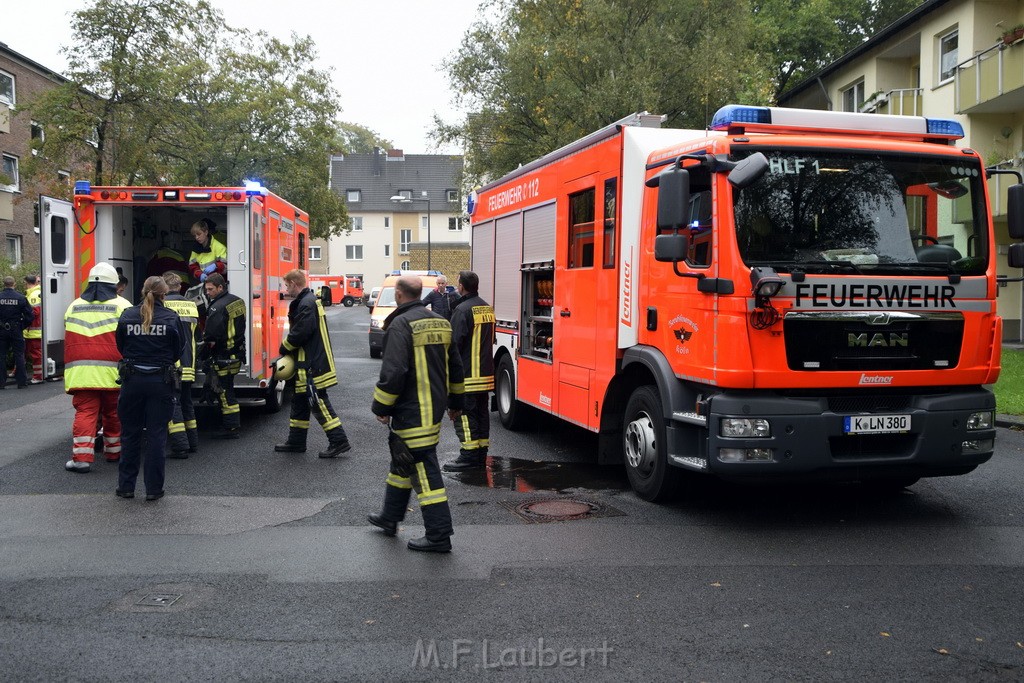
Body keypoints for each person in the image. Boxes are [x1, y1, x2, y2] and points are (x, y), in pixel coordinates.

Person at [368, 276, 465, 553]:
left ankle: (439, 535)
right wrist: (456, 403)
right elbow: (455, 367)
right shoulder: (440, 322)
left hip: (411, 413)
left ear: (398, 294)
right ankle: (390, 518)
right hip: (432, 409)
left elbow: (394, 371)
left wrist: (382, 406)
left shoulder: (401, 324)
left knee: (424, 472)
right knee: (402, 464)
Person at [114, 276, 183, 501]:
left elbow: (121, 346)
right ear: (164, 294)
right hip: (160, 382)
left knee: (130, 434)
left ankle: (126, 487)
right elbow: (178, 350)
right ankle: (153, 490)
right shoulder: (171, 318)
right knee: (156, 436)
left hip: (132, 381)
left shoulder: (127, 315)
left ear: (143, 291)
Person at [63, 263, 132, 472]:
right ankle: (114, 452)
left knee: (85, 413)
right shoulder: (122, 306)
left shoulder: (73, 305)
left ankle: (81, 459)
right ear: (114, 285)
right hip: (113, 372)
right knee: (114, 412)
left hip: (81, 373)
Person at [275, 269, 352, 458]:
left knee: (318, 403)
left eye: (287, 285)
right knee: (300, 402)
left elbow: (302, 331)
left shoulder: (306, 303)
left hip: (311, 365)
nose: (286, 289)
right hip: (309, 362)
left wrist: (284, 347)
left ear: (294, 283)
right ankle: (296, 441)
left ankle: (339, 441)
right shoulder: (308, 300)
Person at [442, 270, 496, 472]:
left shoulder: (462, 310)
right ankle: (480, 455)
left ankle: (468, 456)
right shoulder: (487, 309)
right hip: (486, 376)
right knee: (482, 415)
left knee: (464, 416)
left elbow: (453, 344)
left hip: (467, 376)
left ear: (461, 287)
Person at [201, 273, 245, 438]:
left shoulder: (216, 307)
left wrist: (204, 354)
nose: (208, 293)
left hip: (223, 356)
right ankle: (231, 425)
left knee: (225, 392)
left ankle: (231, 428)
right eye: (206, 290)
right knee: (228, 388)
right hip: (236, 354)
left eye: (211, 289)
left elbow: (211, 336)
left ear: (221, 287)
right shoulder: (237, 301)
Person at [162, 271, 200, 457]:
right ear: (179, 286)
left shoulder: (164, 305)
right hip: (189, 362)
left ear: (165, 287)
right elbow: (197, 335)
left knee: (172, 404)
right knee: (187, 403)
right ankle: (192, 442)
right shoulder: (192, 304)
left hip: (173, 365)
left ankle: (180, 446)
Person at [0, 275, 33, 390]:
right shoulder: (21, 298)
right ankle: (22, 382)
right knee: (19, 355)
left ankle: (1, 383)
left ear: (4, 284)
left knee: (1, 356)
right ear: (14, 284)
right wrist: (21, 326)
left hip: (2, 330)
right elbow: (30, 315)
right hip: (16, 330)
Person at [188, 218, 227, 284]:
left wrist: (216, 265)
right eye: (195, 235)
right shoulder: (195, 248)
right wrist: (199, 274)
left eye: (199, 234)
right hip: (203, 283)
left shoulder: (219, 247)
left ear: (206, 232)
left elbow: (226, 266)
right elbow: (192, 266)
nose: (197, 237)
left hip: (218, 284)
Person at [23, 274, 44, 383]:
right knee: (24, 352)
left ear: (26, 283)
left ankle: (38, 376)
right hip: (31, 331)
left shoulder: (33, 295)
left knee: (36, 355)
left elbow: (35, 312)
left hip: (34, 331)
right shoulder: (35, 293)